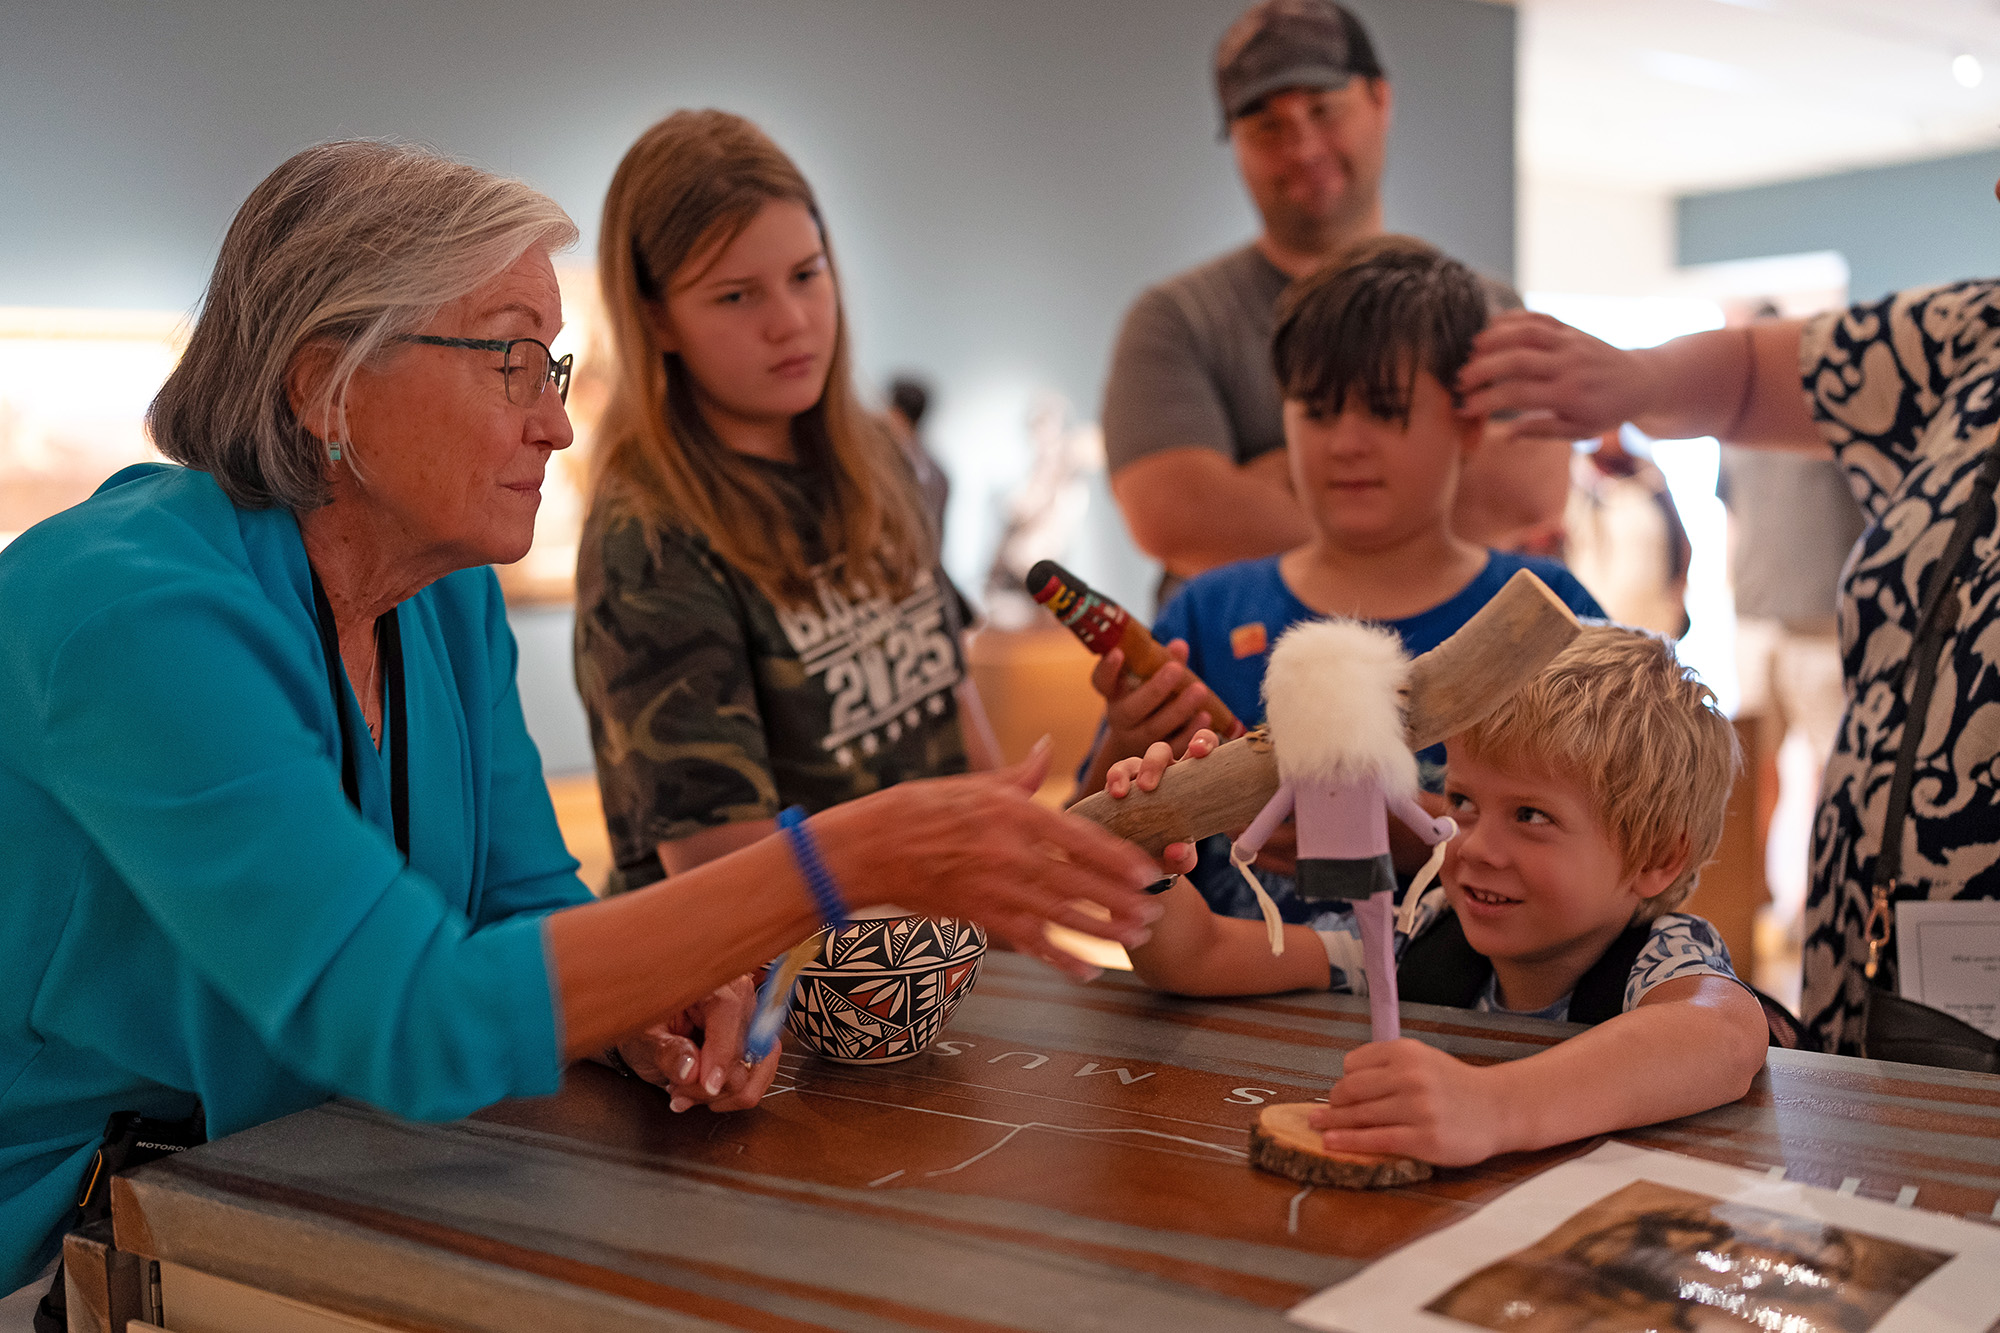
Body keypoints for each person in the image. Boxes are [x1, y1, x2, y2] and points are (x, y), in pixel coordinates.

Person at [0, 140, 1161, 1301]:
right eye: (509, 362)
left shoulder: (444, 596)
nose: (555, 426)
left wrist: (640, 1008)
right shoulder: (131, 615)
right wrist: (841, 858)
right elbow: (404, 1014)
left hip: (273, 1197)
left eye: (550, 365)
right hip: (60, 1248)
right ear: (324, 387)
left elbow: (521, 899)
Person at [1455, 210, 2000, 1054]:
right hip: (1894, 949)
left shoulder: (1666, 965)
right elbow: (1753, 379)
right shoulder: (1975, 337)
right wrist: (1631, 377)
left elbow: (1711, 1036)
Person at [1079, 243, 1603, 926]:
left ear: (1469, 424)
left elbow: (1623, 848)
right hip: (1226, 1008)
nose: (1347, 443)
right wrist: (1129, 748)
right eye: (1318, 411)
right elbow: (1088, 850)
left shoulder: (1548, 616)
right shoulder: (1207, 609)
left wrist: (1420, 833)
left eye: (1386, 410)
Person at [1109, 626, 1769, 1167]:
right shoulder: (1422, 932)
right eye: (1462, 802)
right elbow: (1204, 955)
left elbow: (1725, 1035)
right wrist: (1145, 862)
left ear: (1657, 857)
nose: (1476, 845)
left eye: (1531, 816)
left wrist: (1494, 1106)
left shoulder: (1661, 955)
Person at [575, 111, 1002, 891]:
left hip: (942, 954)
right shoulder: (651, 537)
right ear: (654, 317)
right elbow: (728, 888)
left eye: (807, 275)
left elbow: (971, 761)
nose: (792, 322)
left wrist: (1114, 760)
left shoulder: (877, 458)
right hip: (787, 997)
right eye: (736, 296)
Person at [1103, 1, 1567, 602]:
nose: (1302, 148)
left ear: (1381, 101)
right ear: (1236, 144)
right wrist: (1426, 496)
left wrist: (1274, 481)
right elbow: (1176, 515)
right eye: (1266, 127)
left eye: (1323, 109)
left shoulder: (1486, 305)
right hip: (1231, 680)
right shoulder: (1176, 321)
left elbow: (1530, 488)